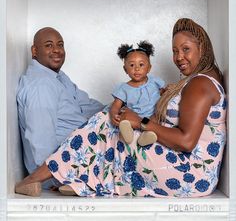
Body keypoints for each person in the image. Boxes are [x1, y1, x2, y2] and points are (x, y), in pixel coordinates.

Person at [15, 18, 227, 198]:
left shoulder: (199, 84)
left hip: (188, 173)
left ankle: (38, 178)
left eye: (186, 49)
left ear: (203, 48)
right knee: (109, 124)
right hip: (198, 175)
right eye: (175, 51)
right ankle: (79, 180)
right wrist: (120, 112)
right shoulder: (204, 78)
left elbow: (186, 141)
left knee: (106, 124)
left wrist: (141, 122)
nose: (179, 57)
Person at [17, 27, 104, 189]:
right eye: (49, 45)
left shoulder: (58, 77)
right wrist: (57, 177)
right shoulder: (40, 85)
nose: (57, 50)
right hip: (62, 171)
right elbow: (40, 140)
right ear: (35, 51)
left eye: (60, 45)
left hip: (83, 156)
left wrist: (121, 105)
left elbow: (88, 106)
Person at [110, 41, 165, 146]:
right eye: (131, 65)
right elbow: (115, 106)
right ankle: (128, 133)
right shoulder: (123, 88)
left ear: (149, 68)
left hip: (152, 115)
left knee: (157, 118)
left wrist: (168, 93)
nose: (137, 68)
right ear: (125, 69)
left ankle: (146, 137)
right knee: (125, 117)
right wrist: (114, 115)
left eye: (141, 64)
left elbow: (164, 93)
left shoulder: (154, 81)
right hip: (134, 117)